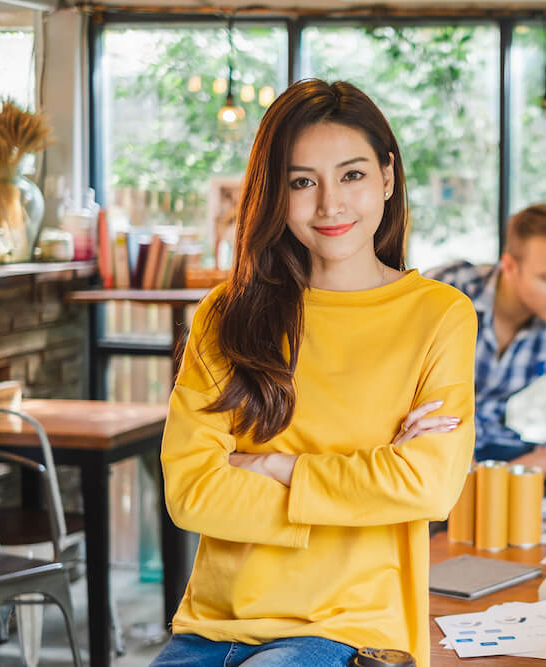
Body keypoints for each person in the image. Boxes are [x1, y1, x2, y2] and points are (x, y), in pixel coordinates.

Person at [152, 79, 476, 667]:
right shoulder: (227, 315)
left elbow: (430, 485)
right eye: (302, 182)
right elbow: (191, 492)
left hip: (348, 627)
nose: (329, 204)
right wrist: (365, 485)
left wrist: (279, 467)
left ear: (387, 177)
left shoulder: (439, 315)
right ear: (276, 193)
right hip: (211, 623)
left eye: (351, 175)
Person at [426, 204, 546, 481]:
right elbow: (395, 384)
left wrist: (503, 481)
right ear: (509, 266)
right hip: (424, 442)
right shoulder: (450, 287)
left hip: (489, 447)